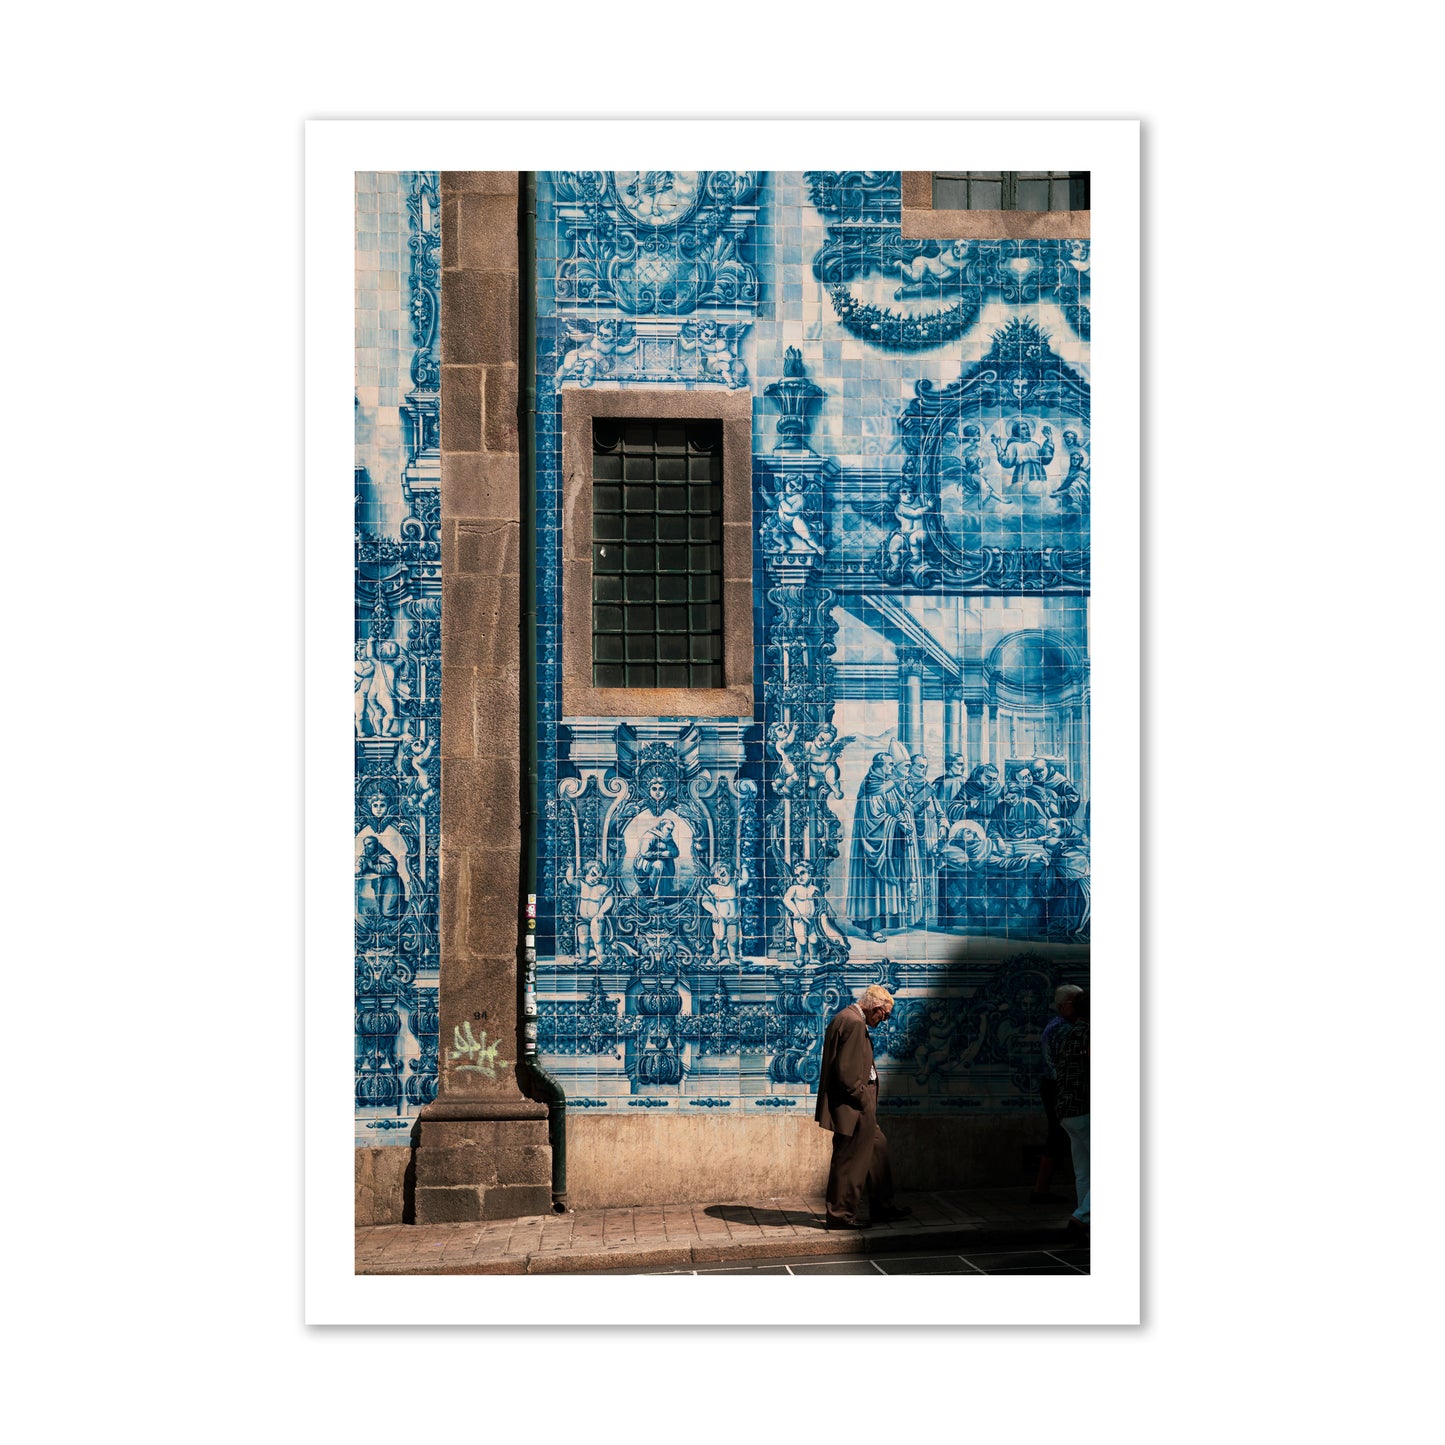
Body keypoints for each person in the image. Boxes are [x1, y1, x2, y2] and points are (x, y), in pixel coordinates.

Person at [814, 985, 912, 1230]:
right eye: (884, 1016)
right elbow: (847, 1074)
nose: (883, 1020)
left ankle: (884, 1206)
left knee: (877, 1148)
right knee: (850, 1159)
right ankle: (840, 1214)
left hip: (857, 1103)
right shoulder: (855, 1023)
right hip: (855, 1105)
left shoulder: (846, 1017)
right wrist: (862, 1097)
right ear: (876, 1008)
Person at [847, 754, 925, 940]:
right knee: (873, 888)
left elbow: (901, 806)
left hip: (889, 847)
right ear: (880, 766)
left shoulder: (888, 783)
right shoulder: (870, 787)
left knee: (886, 888)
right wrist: (898, 823)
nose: (892, 768)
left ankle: (886, 924)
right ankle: (872, 928)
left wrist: (907, 812)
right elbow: (874, 821)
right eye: (890, 765)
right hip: (874, 846)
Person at [1031, 984, 1083, 1202]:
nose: (1081, 1008)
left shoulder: (1062, 1026)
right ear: (1063, 1006)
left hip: (1056, 1086)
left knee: (1059, 1136)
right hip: (1058, 1088)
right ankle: (1041, 1190)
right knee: (1057, 1136)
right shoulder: (1062, 1030)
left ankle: (1042, 1190)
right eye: (1076, 1003)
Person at [1054, 989, 1091, 1238]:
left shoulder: (1063, 1033)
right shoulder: (1091, 1034)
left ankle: (1087, 1225)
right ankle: (1082, 1217)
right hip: (1086, 1108)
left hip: (1066, 1110)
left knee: (1084, 1172)